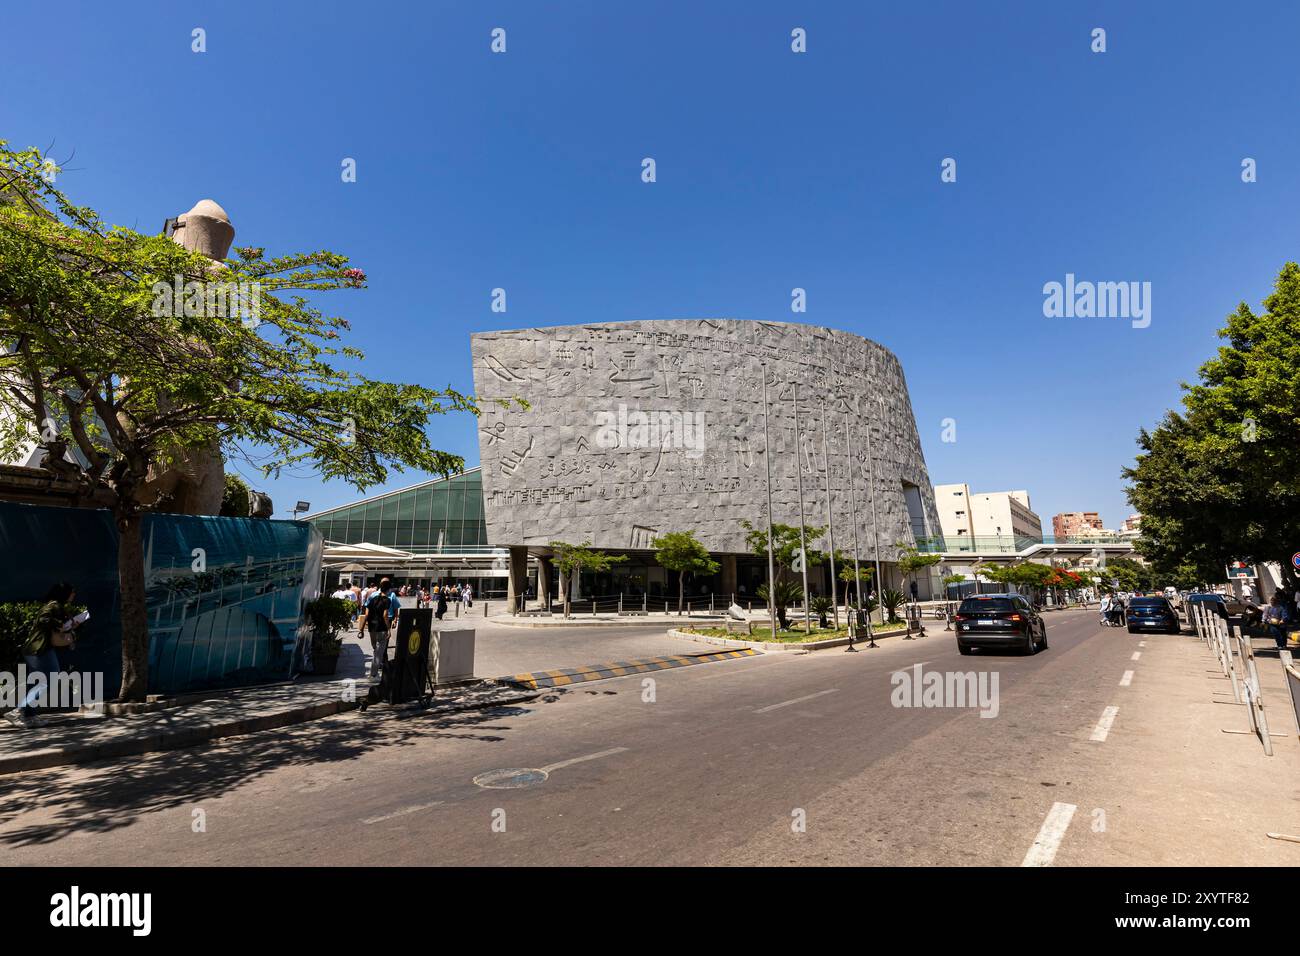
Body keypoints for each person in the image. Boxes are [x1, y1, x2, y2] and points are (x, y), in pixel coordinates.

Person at [7, 582, 84, 729]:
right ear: (64, 593)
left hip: (35, 648)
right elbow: (44, 620)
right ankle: (19, 710)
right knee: (49, 679)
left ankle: (29, 716)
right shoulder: (53, 605)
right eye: (72, 592)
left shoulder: (56, 606)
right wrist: (61, 625)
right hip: (39, 648)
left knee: (34, 682)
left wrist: (69, 625)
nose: (74, 594)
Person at [358, 580, 395, 680]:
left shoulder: (372, 599)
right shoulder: (387, 600)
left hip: (371, 627)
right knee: (379, 653)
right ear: (388, 590)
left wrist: (361, 629)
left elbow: (366, 615)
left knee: (376, 650)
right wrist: (389, 629)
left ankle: (374, 671)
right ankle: (373, 675)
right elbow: (385, 615)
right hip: (381, 627)